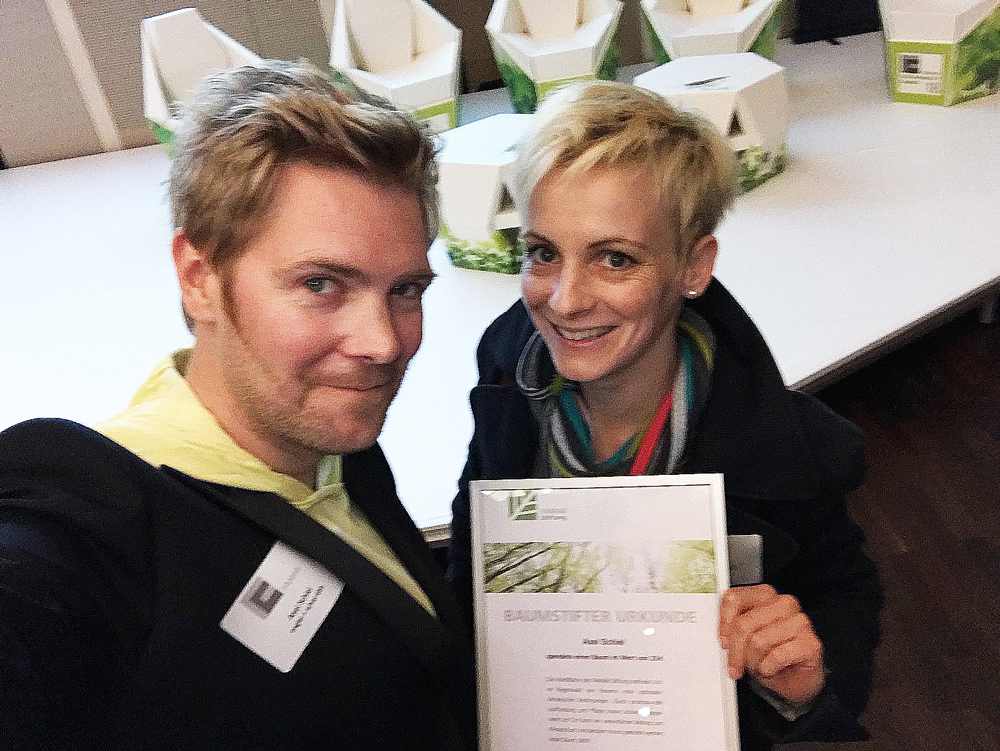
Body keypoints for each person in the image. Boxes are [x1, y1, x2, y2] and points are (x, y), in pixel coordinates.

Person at [0, 61, 475, 750]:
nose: (383, 343)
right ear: (199, 279)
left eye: (405, 290)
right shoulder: (96, 512)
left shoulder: (327, 437)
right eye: (321, 284)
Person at [446, 81, 882, 750]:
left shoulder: (794, 448)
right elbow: (471, 544)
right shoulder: (508, 381)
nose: (564, 300)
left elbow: (844, 592)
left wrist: (806, 676)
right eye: (544, 252)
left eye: (614, 258)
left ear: (693, 267)